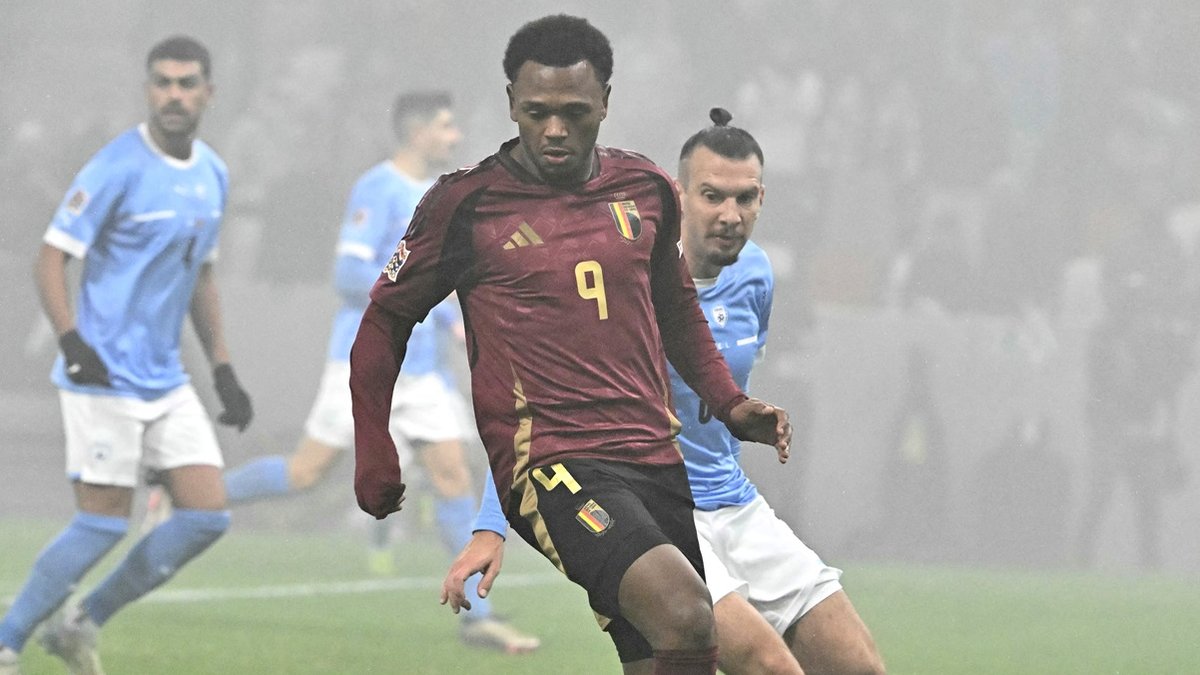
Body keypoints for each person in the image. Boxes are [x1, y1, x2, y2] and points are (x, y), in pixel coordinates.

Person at [350, 15, 791, 675]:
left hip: (654, 457)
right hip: (552, 463)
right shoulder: (465, 204)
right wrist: (374, 448)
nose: (554, 129)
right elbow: (384, 322)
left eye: (574, 112)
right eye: (537, 112)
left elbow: (675, 308)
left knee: (660, 652)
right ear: (511, 104)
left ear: (605, 103)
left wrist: (729, 403)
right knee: (687, 613)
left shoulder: (644, 189)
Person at [444, 110, 886, 675]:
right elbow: (540, 414)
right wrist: (491, 523)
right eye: (712, 196)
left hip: (737, 505)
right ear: (677, 195)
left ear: (762, 198)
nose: (730, 215)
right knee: (771, 667)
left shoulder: (756, 274)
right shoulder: (618, 282)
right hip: (654, 515)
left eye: (745, 198)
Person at [206, 90, 539, 653]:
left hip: (423, 369)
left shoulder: (443, 196)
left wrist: (454, 321)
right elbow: (347, 273)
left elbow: (436, 280)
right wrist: (414, 299)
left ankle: (477, 618)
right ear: (417, 131)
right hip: (370, 359)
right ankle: (195, 495)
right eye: (446, 126)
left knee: (454, 477)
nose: (455, 137)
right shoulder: (377, 187)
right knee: (306, 473)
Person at [0, 36, 252, 675]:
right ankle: (7, 641)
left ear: (209, 93)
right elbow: (50, 257)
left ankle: (79, 625)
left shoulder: (213, 174)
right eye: (162, 83)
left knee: (205, 517)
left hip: (165, 378)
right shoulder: (116, 166)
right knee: (103, 525)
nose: (174, 95)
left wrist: (222, 368)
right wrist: (71, 341)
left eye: (186, 83)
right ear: (147, 90)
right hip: (104, 375)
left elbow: (201, 275)